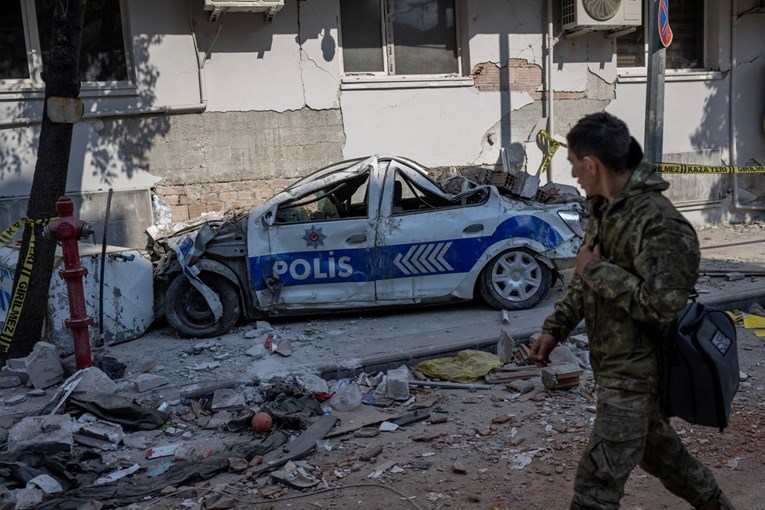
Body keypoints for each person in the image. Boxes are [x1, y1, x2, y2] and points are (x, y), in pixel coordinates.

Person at [529, 112, 735, 509]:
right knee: (665, 458)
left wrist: (596, 269)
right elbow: (585, 275)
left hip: (637, 376)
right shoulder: (605, 208)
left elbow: (661, 306)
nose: (572, 173)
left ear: (592, 164)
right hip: (613, 368)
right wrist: (554, 329)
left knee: (596, 484)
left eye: (572, 163)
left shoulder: (660, 224)